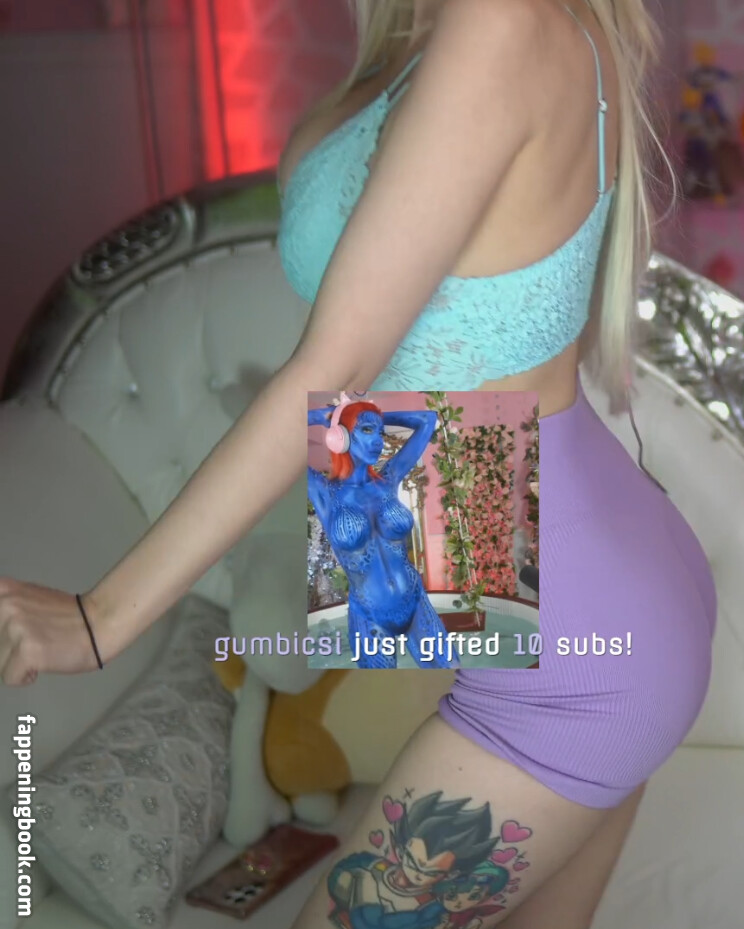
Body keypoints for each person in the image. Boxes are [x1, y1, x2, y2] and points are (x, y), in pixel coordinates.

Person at [0, 0, 717, 926]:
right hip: (570, 587)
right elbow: (429, 426)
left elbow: (333, 372)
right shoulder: (429, 32)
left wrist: (98, 619)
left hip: (575, 659)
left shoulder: (501, 22)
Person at [307, 394, 457, 669]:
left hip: (416, 604)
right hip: (369, 616)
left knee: (452, 676)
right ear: (341, 437)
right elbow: (275, 436)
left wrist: (371, 416)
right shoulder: (324, 492)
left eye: (381, 432)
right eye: (367, 430)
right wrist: (327, 418)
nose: (379, 440)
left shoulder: (388, 480)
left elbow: (427, 421)